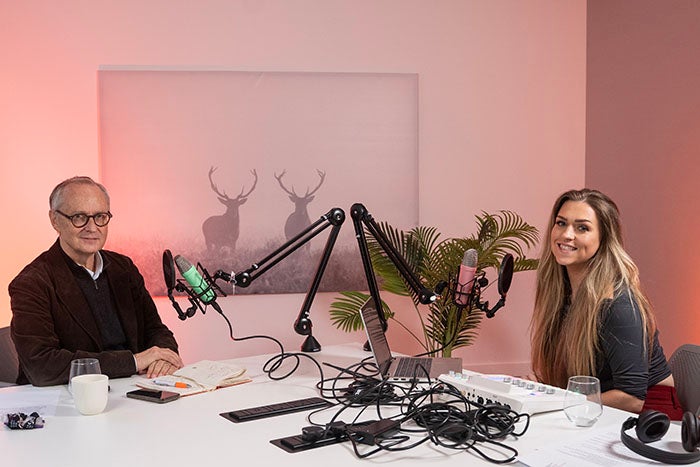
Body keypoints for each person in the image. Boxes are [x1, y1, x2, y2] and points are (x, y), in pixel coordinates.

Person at [9, 176, 183, 386]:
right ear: (54, 220)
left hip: (131, 391)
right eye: (79, 217)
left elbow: (156, 330)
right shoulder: (32, 283)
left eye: (100, 216)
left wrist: (164, 357)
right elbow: (42, 365)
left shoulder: (124, 268)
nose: (92, 227)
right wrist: (134, 362)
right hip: (65, 402)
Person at [529, 188, 683, 419]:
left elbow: (632, 398)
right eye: (561, 223)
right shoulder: (562, 295)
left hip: (653, 414)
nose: (567, 234)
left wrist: (556, 402)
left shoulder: (618, 304)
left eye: (582, 227)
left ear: (604, 238)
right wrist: (533, 391)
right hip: (601, 406)